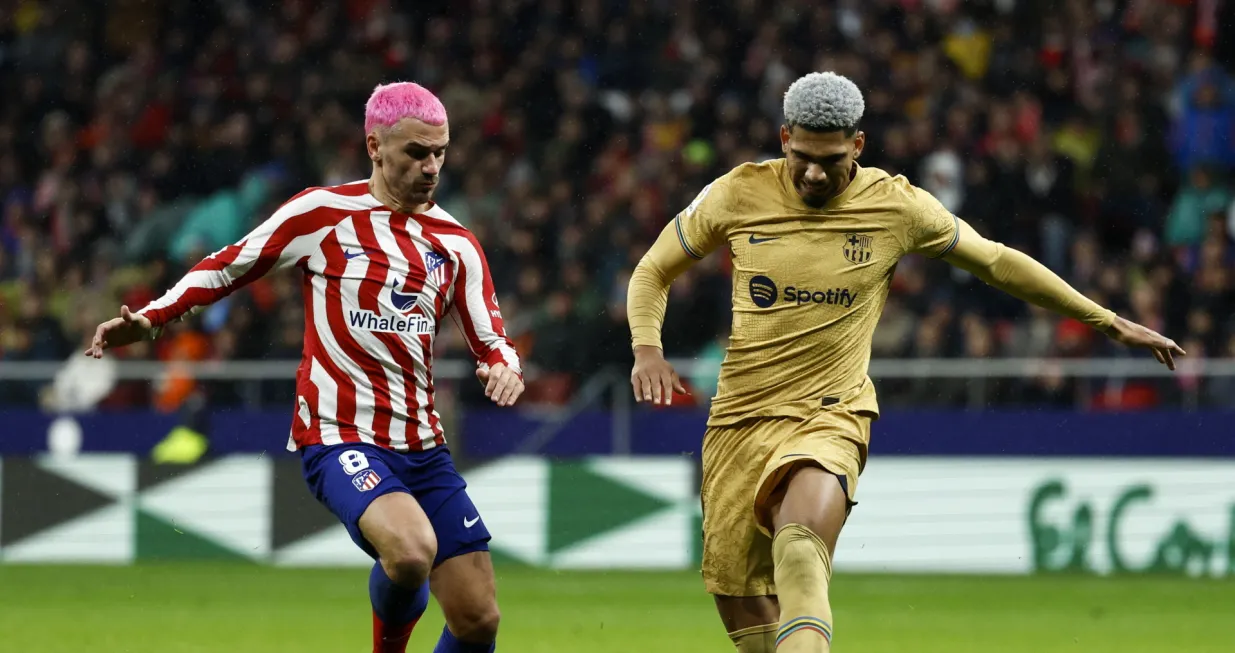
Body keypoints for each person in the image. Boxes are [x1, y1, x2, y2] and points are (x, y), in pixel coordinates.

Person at [626, 72, 1183, 653]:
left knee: (799, 550)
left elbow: (996, 262)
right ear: (784, 136)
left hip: (829, 414)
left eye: (832, 159)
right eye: (802, 157)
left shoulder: (897, 207)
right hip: (739, 421)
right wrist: (647, 348)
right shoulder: (736, 194)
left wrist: (1107, 320)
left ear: (858, 146)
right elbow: (652, 271)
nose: (815, 172)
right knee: (738, 597)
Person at [84, 82, 522, 653]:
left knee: (478, 619)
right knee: (412, 551)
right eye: (416, 152)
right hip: (340, 438)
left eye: (440, 152)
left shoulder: (456, 243)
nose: (431, 166)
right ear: (375, 146)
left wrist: (504, 366)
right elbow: (227, 266)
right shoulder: (323, 214)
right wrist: (153, 317)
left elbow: (493, 337)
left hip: (423, 446)